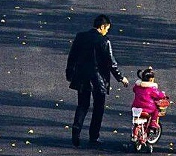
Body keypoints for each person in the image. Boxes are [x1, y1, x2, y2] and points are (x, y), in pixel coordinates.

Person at [66, 14, 129, 147]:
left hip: (82, 76)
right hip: (98, 79)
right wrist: (121, 77)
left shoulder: (80, 37)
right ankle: (93, 135)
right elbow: (111, 63)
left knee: (82, 105)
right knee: (98, 107)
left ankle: (76, 130)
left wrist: (69, 72)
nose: (107, 31)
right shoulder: (104, 41)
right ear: (102, 27)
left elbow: (72, 56)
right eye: (107, 29)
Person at [131, 66, 169, 132]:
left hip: (136, 107)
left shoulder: (137, 86)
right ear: (151, 79)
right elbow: (159, 95)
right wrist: (164, 95)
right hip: (147, 108)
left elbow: (134, 89)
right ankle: (153, 122)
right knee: (156, 110)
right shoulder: (152, 88)